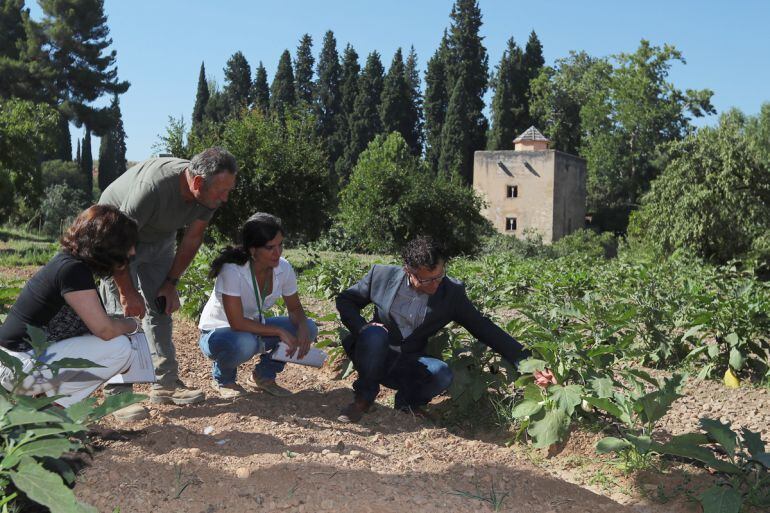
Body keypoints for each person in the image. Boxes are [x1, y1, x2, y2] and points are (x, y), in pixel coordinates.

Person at [335, 235, 545, 423]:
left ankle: (406, 403)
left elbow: (484, 328)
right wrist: (362, 327)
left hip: (407, 362)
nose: (435, 285)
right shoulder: (381, 275)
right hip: (373, 354)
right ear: (408, 270)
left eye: (439, 276)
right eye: (426, 279)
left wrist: (527, 363)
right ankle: (363, 399)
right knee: (375, 334)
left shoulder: (451, 293)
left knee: (441, 374)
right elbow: (345, 300)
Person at [98, 147, 238, 421]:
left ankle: (165, 384)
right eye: (221, 192)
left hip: (159, 238)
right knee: (119, 314)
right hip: (115, 236)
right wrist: (127, 292)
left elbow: (192, 238)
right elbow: (116, 241)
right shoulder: (151, 188)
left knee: (161, 308)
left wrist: (170, 283)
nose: (225, 198)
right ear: (197, 183)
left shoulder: (207, 197)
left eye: (229, 190)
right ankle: (118, 395)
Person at [0, 205, 141, 407]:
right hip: (16, 367)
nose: (133, 251)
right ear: (109, 244)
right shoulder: (73, 271)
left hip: (15, 363)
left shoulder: (69, 265)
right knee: (120, 347)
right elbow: (105, 330)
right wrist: (132, 325)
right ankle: (53, 410)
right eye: (128, 245)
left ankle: (49, 408)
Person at [198, 213, 317, 398]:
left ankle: (263, 375)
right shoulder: (232, 270)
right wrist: (278, 331)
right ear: (253, 250)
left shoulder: (283, 268)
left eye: (280, 245)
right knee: (245, 342)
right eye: (270, 247)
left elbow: (295, 308)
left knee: (309, 327)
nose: (278, 253)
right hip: (219, 332)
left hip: (254, 327)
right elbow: (237, 323)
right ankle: (224, 378)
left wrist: (301, 326)